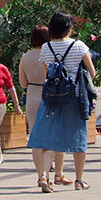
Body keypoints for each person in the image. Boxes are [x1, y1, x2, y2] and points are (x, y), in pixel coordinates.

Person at [28, 12, 96, 192]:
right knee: (79, 137)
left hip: (52, 97)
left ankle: (44, 175)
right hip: (74, 96)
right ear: (69, 28)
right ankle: (79, 180)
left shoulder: (46, 48)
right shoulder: (79, 45)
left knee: (49, 137)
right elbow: (92, 72)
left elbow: (47, 73)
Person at [19, 24, 68, 185]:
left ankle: (41, 174)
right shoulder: (51, 55)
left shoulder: (25, 57)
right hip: (51, 94)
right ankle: (56, 173)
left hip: (33, 95)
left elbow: (23, 83)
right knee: (56, 135)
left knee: (36, 137)